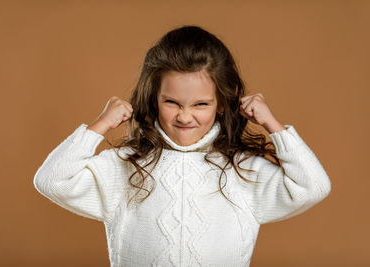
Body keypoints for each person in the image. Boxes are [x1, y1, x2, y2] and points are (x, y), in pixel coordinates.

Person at [33, 25, 331, 267]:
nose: (185, 116)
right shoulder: (125, 166)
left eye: (201, 104)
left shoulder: (243, 170)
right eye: (172, 102)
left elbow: (313, 186)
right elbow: (51, 180)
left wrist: (273, 125)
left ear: (222, 105)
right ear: (154, 100)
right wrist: (100, 125)